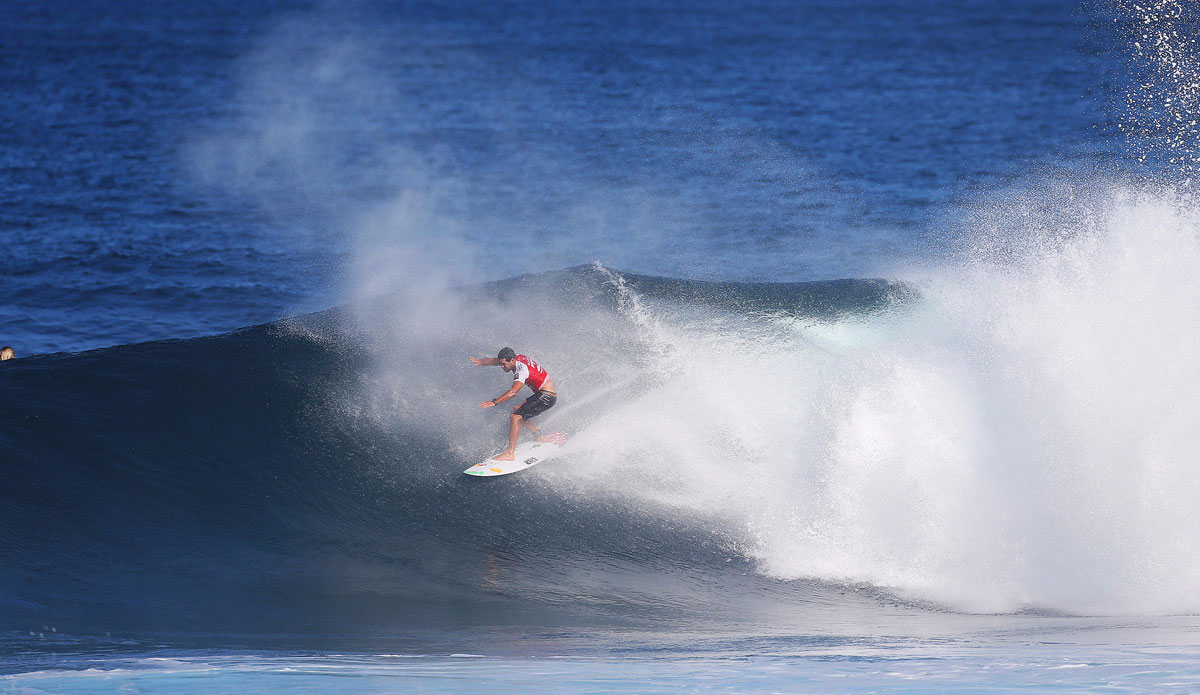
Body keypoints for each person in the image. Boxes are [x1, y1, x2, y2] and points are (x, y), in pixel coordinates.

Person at [470, 347, 557, 461]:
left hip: (546, 397)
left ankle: (510, 453)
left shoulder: (521, 370)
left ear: (512, 360)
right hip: (543, 394)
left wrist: (494, 402)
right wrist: (480, 362)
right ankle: (539, 437)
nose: (502, 366)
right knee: (518, 412)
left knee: (515, 417)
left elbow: (514, 391)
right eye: (501, 364)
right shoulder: (516, 357)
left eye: (504, 364)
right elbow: (493, 361)